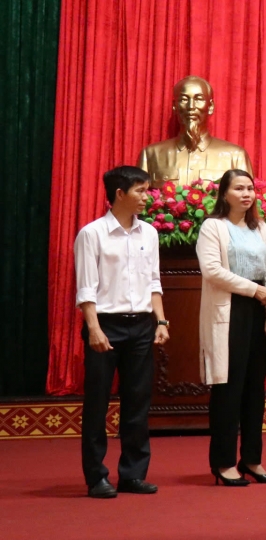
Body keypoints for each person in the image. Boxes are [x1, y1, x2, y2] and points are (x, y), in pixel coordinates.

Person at [75, 165, 170, 498]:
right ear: (119, 193)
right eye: (141, 191)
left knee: (138, 402)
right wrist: (94, 329)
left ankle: (132, 474)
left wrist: (160, 321)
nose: (147, 197)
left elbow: (154, 281)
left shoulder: (149, 233)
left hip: (142, 325)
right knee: (97, 403)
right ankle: (96, 476)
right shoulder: (92, 234)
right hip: (105, 324)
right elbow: (86, 288)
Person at [197, 169, 266, 486]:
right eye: (239, 188)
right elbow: (212, 271)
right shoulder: (213, 227)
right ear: (224, 194)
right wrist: (253, 290)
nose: (246, 194)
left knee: (254, 389)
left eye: (250, 188)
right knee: (228, 388)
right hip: (230, 309)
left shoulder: (260, 227)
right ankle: (223, 463)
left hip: (259, 308)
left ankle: (252, 460)